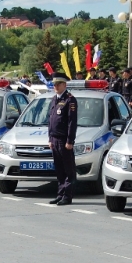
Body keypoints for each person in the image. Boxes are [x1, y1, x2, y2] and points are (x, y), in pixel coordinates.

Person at [48, 73, 78, 206]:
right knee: (59, 169)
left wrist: (70, 141)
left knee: (68, 170)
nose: (55, 86)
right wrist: (50, 138)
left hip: (64, 140)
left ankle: (67, 195)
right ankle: (60, 194)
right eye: (54, 84)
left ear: (64, 85)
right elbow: (51, 120)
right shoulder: (54, 99)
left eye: (58, 84)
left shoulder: (70, 100)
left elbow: (72, 122)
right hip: (54, 139)